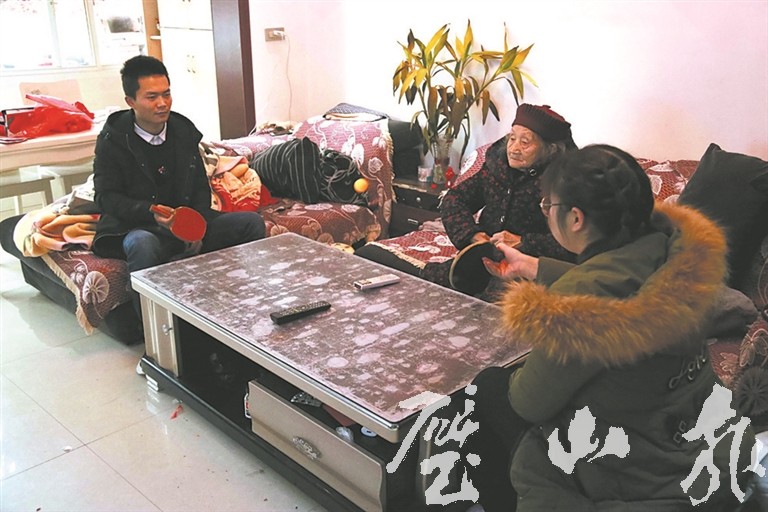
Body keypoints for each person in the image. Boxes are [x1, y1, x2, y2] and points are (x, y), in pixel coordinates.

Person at [462, 145, 756, 511]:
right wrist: (533, 266)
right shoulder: (676, 257)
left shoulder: (575, 312)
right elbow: (621, 289)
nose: (546, 213)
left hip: (645, 477)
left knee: (488, 388)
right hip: (707, 450)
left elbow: (527, 403)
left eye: (547, 205)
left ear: (575, 218)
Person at [92, 55, 266, 316]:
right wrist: (151, 212)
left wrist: (194, 226)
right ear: (130, 101)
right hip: (142, 226)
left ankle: (244, 308)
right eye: (152, 97)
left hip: (188, 224)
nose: (162, 103)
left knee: (251, 223)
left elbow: (200, 188)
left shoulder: (183, 132)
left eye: (167, 94)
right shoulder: (113, 140)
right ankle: (151, 330)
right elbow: (106, 197)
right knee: (142, 244)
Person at [356, 104, 577, 297]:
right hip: (482, 262)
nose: (514, 148)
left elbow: (575, 245)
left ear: (550, 150)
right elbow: (455, 198)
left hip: (529, 270)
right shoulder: (497, 167)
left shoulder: (564, 183)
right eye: (512, 138)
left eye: (525, 142)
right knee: (370, 256)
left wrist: (523, 242)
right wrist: (472, 236)